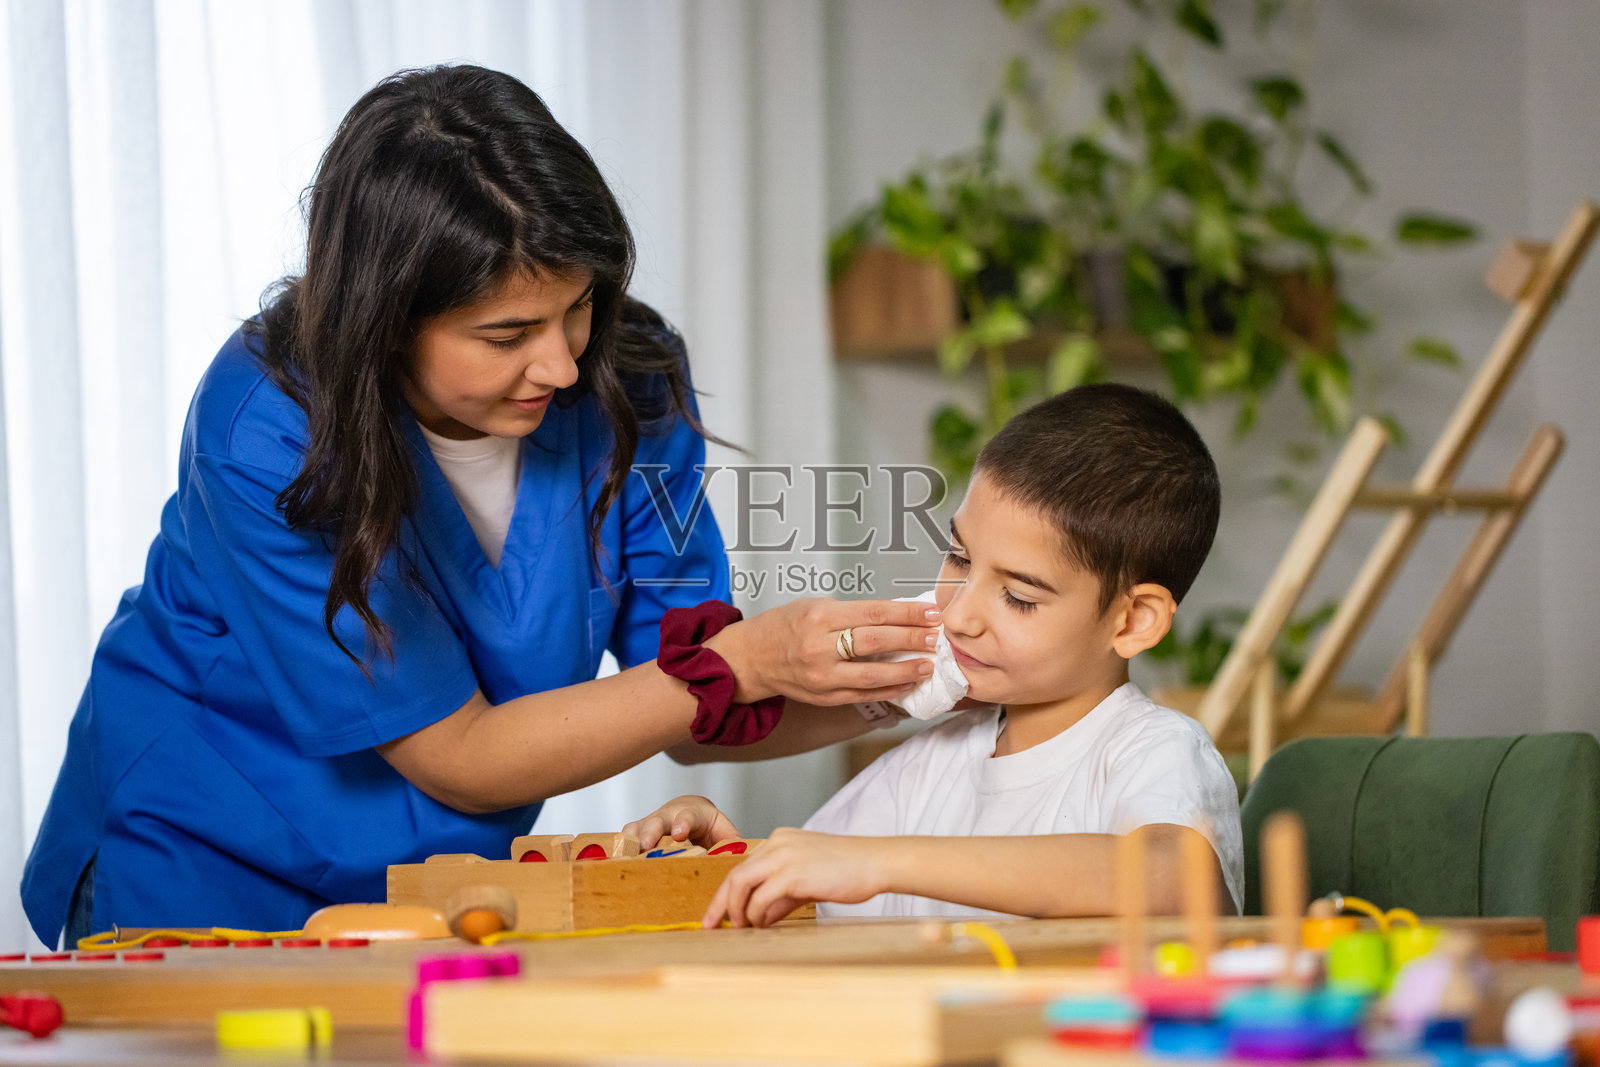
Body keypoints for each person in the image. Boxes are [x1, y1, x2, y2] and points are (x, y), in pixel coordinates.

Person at [19, 64, 938, 948]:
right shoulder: (267, 423)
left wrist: (934, 678)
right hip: (204, 853)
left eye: (577, 306)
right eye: (507, 334)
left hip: (436, 887)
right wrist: (741, 663)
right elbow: (462, 754)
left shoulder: (629, 378)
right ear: (384, 320)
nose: (562, 365)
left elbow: (697, 707)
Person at [626, 383, 1244, 926]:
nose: (960, 615)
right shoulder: (931, 763)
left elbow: (1174, 878)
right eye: (959, 557)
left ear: (1134, 620)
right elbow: (817, 889)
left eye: (1019, 597)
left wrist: (885, 862)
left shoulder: (1152, 750)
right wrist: (722, 863)